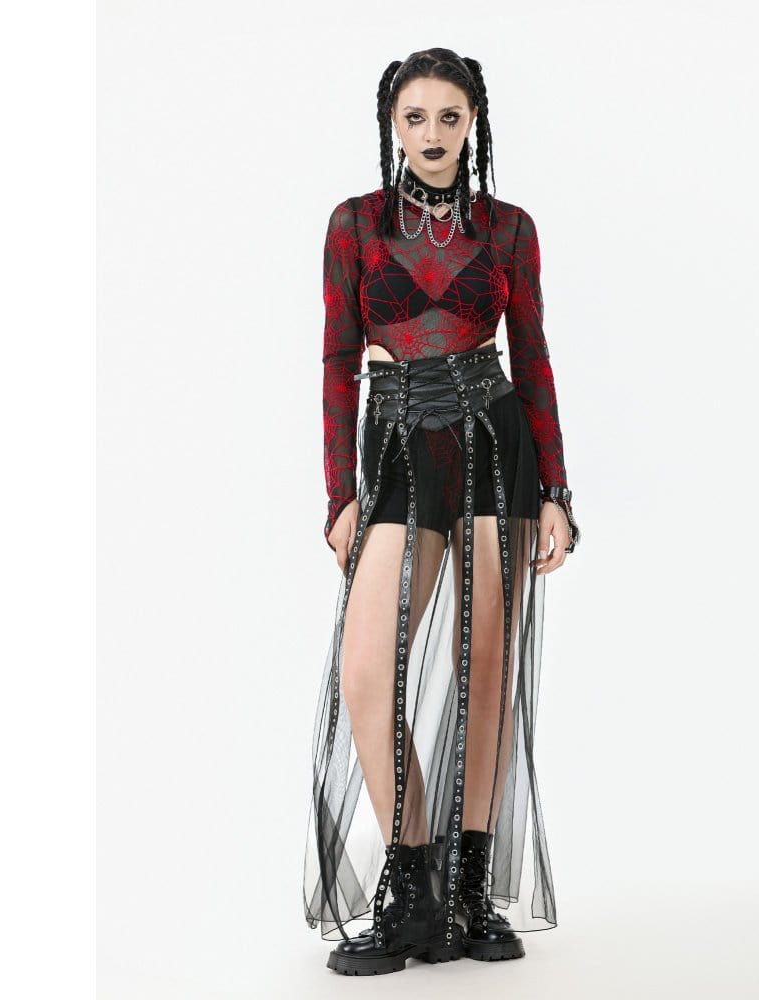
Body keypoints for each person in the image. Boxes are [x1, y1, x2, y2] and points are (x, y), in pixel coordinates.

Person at [303, 48, 581, 977]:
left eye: (449, 117)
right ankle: (412, 886)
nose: (432, 133)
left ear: (473, 124)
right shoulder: (355, 224)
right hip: (395, 451)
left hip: (495, 443)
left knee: (484, 671)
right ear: (393, 124)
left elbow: (532, 356)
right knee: (365, 669)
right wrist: (340, 495)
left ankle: (467, 889)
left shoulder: (508, 229)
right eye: (415, 117)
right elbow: (336, 361)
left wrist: (556, 492)